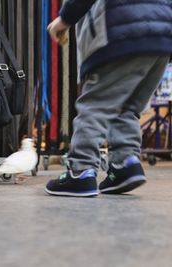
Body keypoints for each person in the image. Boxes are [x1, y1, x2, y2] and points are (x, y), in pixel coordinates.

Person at [45, 0, 172, 197]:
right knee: (127, 106)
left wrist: (64, 19)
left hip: (120, 31)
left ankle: (80, 171)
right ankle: (125, 163)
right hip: (162, 37)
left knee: (96, 105)